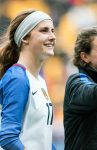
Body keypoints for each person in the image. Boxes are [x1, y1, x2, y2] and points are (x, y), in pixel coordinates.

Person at [0, 9, 56, 150]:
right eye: (44, 30)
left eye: (53, 31)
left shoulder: (40, 80)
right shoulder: (17, 78)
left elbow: (42, 137)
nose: (52, 36)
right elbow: (7, 137)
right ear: (25, 38)